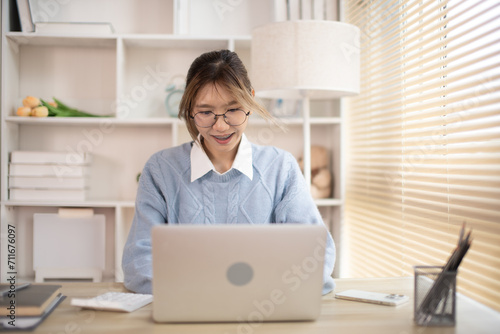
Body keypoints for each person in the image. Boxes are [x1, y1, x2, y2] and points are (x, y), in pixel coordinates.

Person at [122, 49, 336, 295]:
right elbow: (139, 263)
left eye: (233, 109)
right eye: (205, 112)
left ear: (251, 100)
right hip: (186, 317)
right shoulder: (161, 170)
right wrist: (202, 297)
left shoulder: (281, 168)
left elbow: (315, 254)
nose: (221, 126)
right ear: (190, 109)